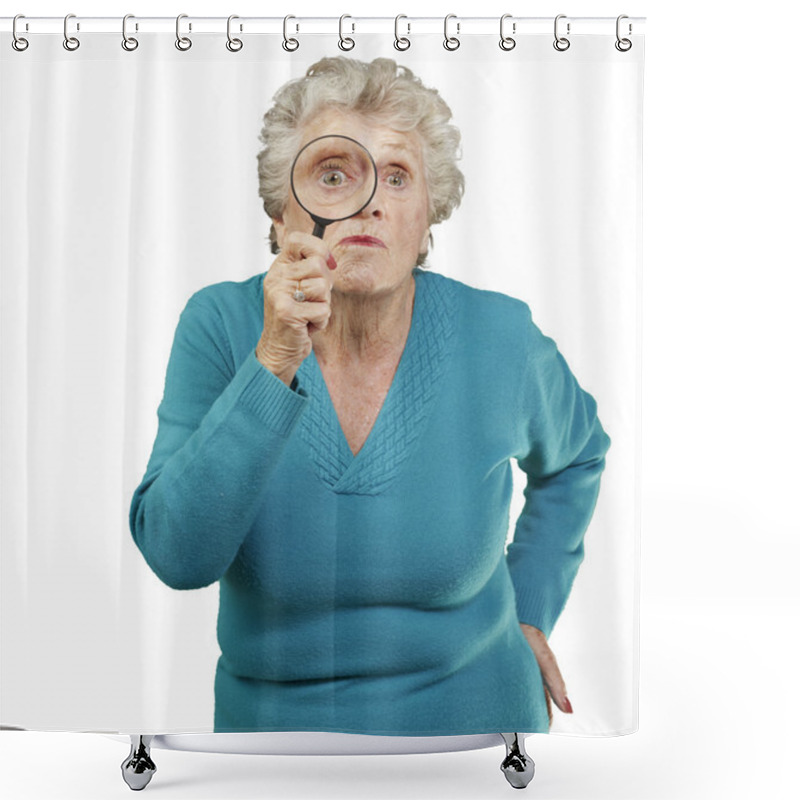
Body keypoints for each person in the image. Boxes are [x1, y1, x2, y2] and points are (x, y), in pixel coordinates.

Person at [129, 56, 610, 735]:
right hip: (272, 752)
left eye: (397, 177)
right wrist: (272, 363)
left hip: (476, 739)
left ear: (428, 215)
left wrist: (531, 606)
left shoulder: (500, 336)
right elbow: (178, 558)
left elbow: (578, 458)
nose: (370, 202)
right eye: (333, 175)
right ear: (280, 208)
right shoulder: (219, 326)